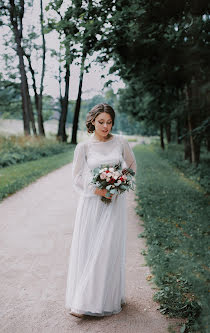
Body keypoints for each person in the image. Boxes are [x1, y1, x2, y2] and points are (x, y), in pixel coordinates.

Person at [65, 103, 137, 318]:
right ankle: (83, 300)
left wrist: (119, 184)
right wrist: (98, 191)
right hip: (92, 203)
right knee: (90, 248)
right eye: (101, 122)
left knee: (107, 248)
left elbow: (131, 166)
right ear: (92, 122)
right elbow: (77, 177)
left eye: (109, 122)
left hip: (114, 203)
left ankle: (101, 299)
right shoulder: (84, 148)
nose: (105, 126)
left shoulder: (120, 142)